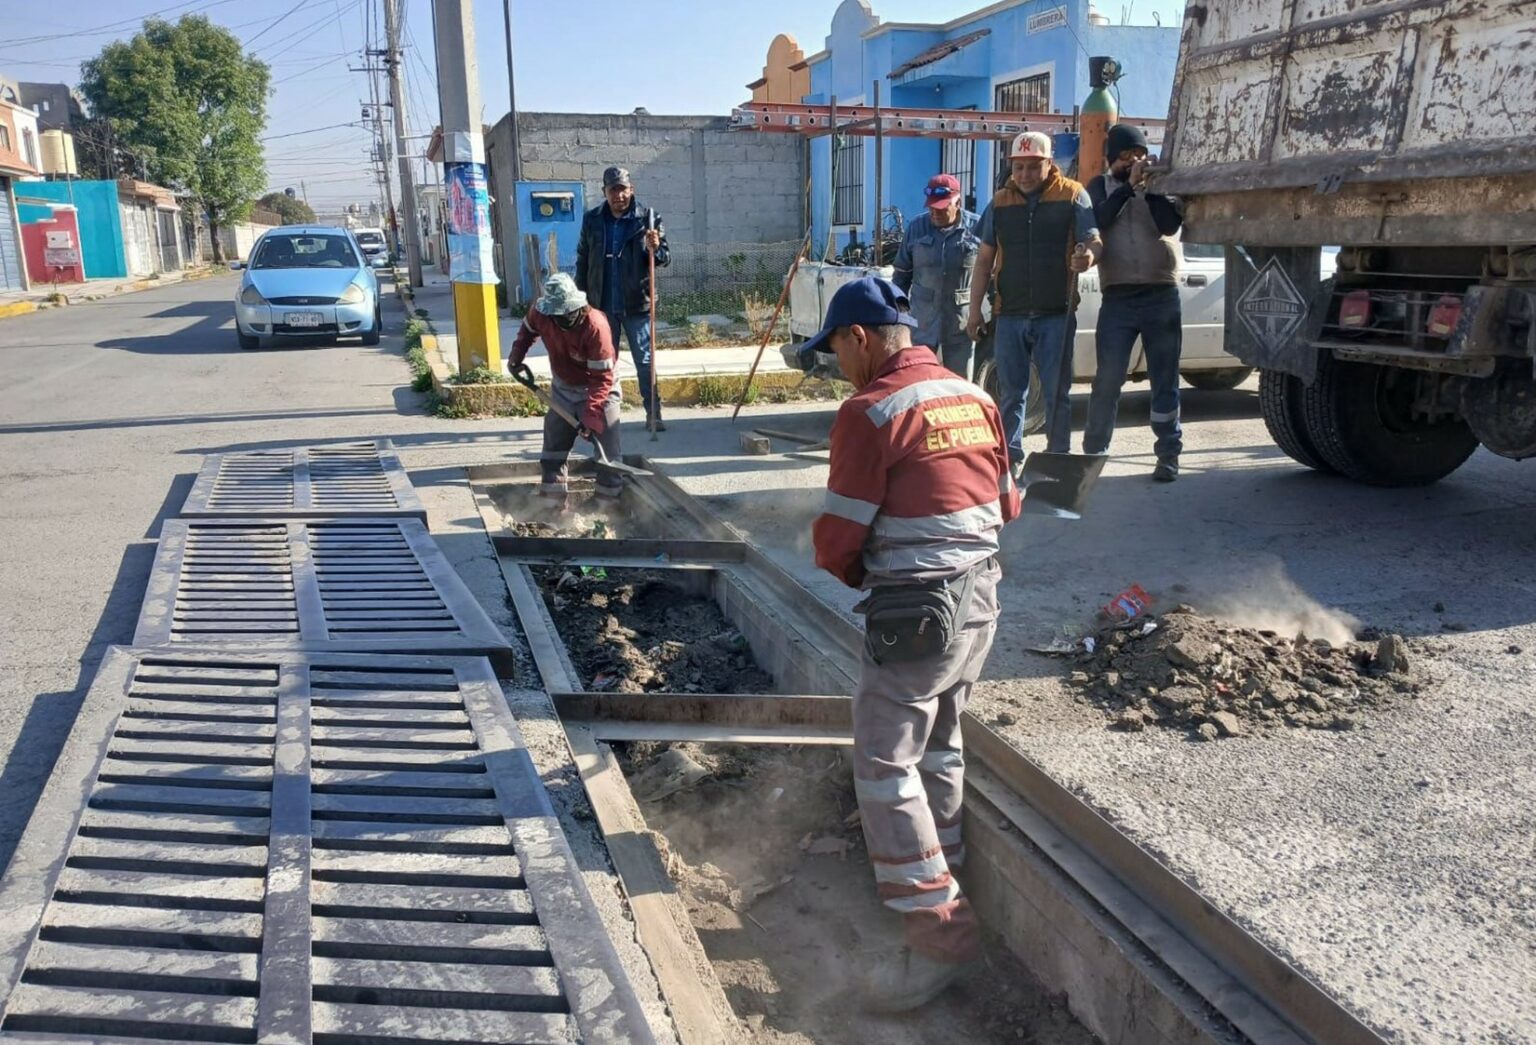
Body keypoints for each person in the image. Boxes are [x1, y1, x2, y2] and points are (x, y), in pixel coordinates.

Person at [808, 276, 1021, 1012]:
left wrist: (862, 566)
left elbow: (838, 540)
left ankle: (939, 937)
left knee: (883, 764)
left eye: (836, 349)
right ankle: (942, 875)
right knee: (940, 749)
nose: (838, 364)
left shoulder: (871, 411)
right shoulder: (974, 396)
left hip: (917, 616)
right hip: (981, 600)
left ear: (860, 337)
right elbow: (1006, 504)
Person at [965, 132, 1101, 468]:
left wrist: (1088, 257)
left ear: (1049, 164)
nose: (1024, 174)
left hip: (1056, 314)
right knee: (1011, 393)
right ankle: (1009, 460)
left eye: (1033, 166)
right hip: (1009, 314)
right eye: (1019, 167)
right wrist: (974, 311)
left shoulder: (1073, 195)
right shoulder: (999, 202)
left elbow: (1094, 241)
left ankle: (1057, 458)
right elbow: (984, 260)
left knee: (1056, 392)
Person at [1083, 123, 1186, 481]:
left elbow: (1168, 226)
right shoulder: (1099, 187)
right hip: (1118, 297)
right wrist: (1128, 188)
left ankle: (1168, 454)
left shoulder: (1161, 185)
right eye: (1126, 156)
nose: (1133, 162)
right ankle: (1094, 454)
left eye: (1139, 155)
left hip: (1161, 294)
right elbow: (1098, 220)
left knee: (1165, 378)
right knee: (1108, 379)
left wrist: (1151, 188)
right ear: (1111, 158)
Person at [508, 273, 623, 500]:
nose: (563, 319)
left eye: (568, 313)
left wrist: (591, 417)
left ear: (578, 307)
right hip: (563, 387)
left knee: (607, 446)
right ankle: (552, 504)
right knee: (554, 445)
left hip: (599, 388)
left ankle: (608, 504)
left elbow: (601, 379)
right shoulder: (541, 314)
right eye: (558, 315)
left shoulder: (596, 327)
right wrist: (516, 356)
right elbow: (526, 332)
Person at [576, 166, 669, 430]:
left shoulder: (647, 219)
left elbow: (664, 258)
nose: (619, 196)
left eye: (623, 189)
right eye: (613, 190)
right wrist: (580, 299)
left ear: (631, 189)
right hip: (602, 306)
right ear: (604, 192)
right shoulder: (592, 220)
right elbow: (583, 258)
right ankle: (603, 415)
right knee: (604, 364)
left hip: (637, 303)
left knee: (645, 361)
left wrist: (655, 247)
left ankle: (653, 413)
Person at [892, 173, 981, 379]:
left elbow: (991, 273)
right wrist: (898, 315)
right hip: (922, 324)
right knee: (918, 381)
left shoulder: (977, 228)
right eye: (931, 208)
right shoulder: (916, 228)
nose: (935, 213)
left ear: (958, 203)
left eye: (942, 208)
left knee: (959, 384)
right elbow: (901, 276)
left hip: (960, 324)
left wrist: (995, 310)